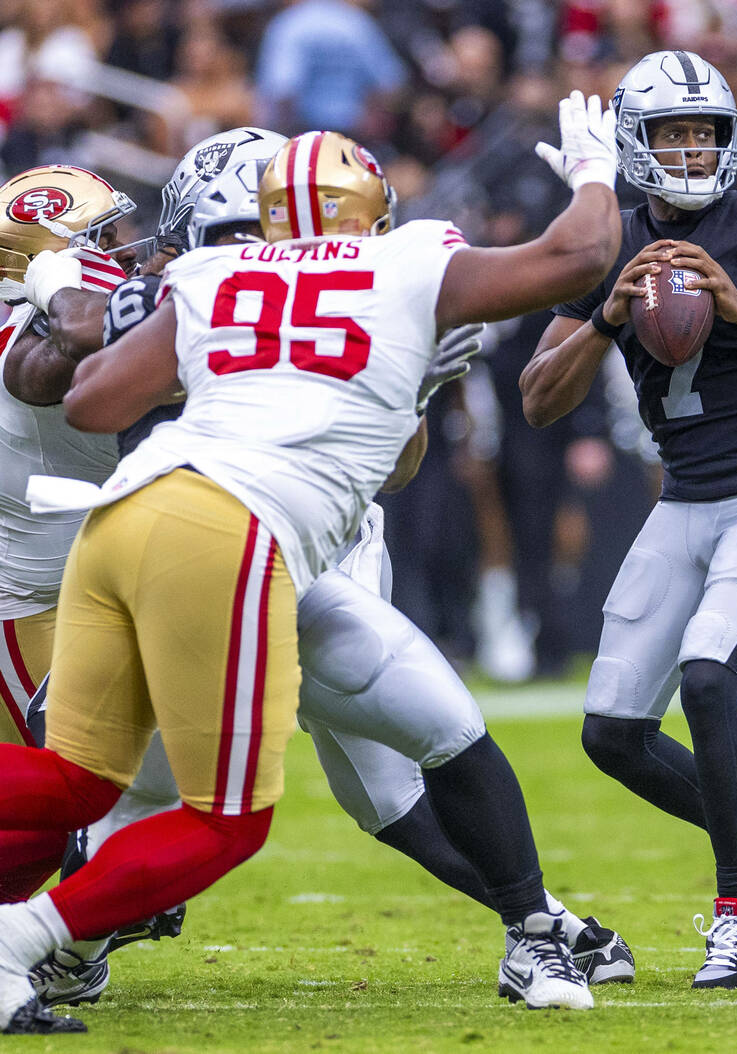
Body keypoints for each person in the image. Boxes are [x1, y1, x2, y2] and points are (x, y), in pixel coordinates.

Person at [0, 92, 622, 1034]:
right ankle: (44, 940)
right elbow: (575, 255)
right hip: (226, 543)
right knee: (219, 814)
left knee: (96, 784)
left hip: (145, 531)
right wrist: (591, 171)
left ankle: (535, 924)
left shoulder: (201, 283)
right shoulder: (399, 264)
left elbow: (96, 398)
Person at [522, 52, 737, 990]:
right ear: (636, 144)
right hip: (683, 497)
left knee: (710, 678)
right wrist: (605, 317)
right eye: (672, 133)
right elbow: (536, 399)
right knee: (610, 732)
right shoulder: (610, 240)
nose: (689, 148)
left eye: (703, 132)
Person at [0, 164, 134, 904]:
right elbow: (87, 330)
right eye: (101, 235)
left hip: (82, 580)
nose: (120, 247)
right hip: (37, 598)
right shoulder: (38, 332)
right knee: (63, 796)